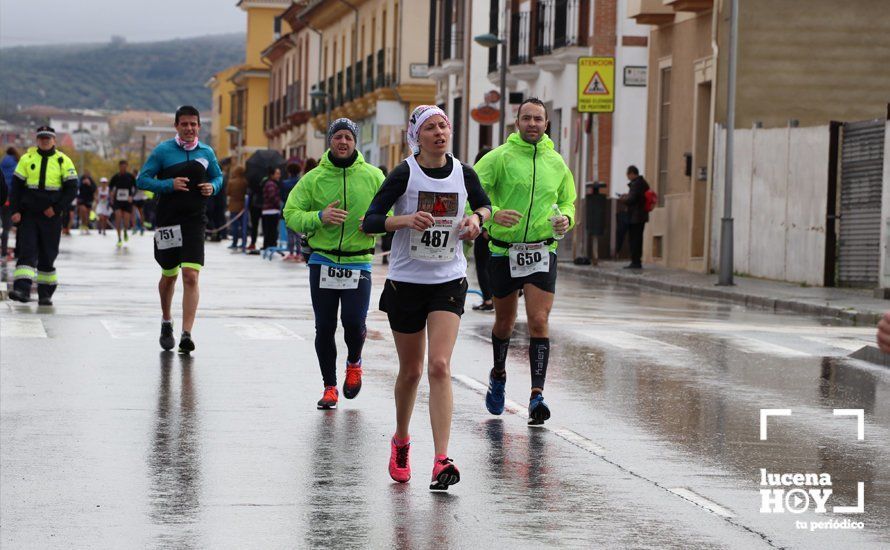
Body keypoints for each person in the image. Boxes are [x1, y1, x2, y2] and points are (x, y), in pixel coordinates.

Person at [362, 105, 491, 491]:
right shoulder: (404, 172)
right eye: (431, 128)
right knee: (412, 371)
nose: (440, 132)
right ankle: (401, 440)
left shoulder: (464, 172)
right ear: (417, 136)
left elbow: (483, 204)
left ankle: (440, 459)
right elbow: (369, 221)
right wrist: (405, 220)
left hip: (448, 279)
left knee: (439, 365)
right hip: (406, 281)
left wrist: (476, 221)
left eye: (444, 126)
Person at [473, 97, 576, 427]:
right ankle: (499, 375)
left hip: (542, 251)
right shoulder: (498, 159)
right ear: (517, 122)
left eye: (539, 119)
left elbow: (567, 202)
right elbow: (470, 193)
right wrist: (491, 218)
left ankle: (536, 395)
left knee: (538, 321)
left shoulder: (557, 163)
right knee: (505, 322)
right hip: (504, 251)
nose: (533, 124)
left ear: (547, 124)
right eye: (527, 118)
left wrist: (566, 220)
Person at [284, 119, 385, 410]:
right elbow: (290, 213)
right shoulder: (314, 178)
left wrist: (375, 224)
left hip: (359, 262)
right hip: (323, 259)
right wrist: (318, 218)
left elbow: (391, 211)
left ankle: (354, 362)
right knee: (325, 326)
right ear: (330, 141)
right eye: (338, 136)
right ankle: (329, 387)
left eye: (348, 137)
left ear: (355, 141)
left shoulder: (374, 176)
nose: (343, 142)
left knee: (354, 322)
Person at [136, 105, 223, 353]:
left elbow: (218, 177)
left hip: (195, 220)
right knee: (170, 274)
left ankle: (186, 333)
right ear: (176, 126)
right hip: (168, 220)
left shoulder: (206, 151)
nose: (189, 128)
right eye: (184, 124)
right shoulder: (163, 151)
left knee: (191, 276)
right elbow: (142, 180)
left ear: (199, 126)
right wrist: (168, 184)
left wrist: (213, 187)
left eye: (193, 124)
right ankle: (166, 320)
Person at [8, 126, 79, 305]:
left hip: (51, 217)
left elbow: (72, 189)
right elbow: (16, 188)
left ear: (54, 140)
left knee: (48, 255)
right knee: (27, 251)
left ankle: (45, 294)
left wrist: (56, 208)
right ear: (37, 140)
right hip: (29, 215)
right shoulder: (26, 159)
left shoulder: (64, 161)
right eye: (41, 138)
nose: (44, 141)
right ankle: (22, 290)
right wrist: (15, 211)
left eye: (48, 138)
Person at [471, 147, 494, 311]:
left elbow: (484, 203)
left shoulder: (480, 178)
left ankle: (488, 299)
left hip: (485, 227)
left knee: (482, 265)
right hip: (498, 229)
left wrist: (483, 228)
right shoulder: (500, 174)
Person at [618, 165, 650, 269]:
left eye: (628, 175)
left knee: (634, 239)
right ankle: (636, 261)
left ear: (632, 173)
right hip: (640, 216)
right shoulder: (642, 183)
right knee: (637, 239)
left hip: (636, 217)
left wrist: (623, 199)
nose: (627, 177)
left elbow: (632, 200)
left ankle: (635, 262)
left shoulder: (637, 184)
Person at [109, 160, 136, 247]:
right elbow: (110, 187)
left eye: (125, 166)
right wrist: (111, 194)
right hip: (118, 200)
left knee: (126, 220)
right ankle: (119, 238)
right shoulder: (116, 177)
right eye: (121, 167)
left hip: (127, 201)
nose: (123, 168)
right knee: (118, 216)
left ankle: (125, 230)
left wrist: (131, 196)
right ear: (119, 167)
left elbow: (135, 188)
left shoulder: (130, 176)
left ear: (127, 166)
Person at [280, 162, 302, 261]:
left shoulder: (285, 183)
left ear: (289, 172)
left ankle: (291, 253)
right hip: (299, 208)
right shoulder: (301, 182)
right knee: (298, 233)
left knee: (290, 233)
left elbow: (282, 197)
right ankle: (299, 253)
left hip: (288, 208)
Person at [2, 147, 21, 260]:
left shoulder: (2, 163)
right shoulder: (17, 165)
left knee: (5, 227)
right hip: (12, 200)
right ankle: (18, 252)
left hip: (2, 200)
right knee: (17, 226)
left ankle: (3, 252)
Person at [226, 165, 248, 250]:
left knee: (234, 226)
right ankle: (244, 242)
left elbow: (228, 192)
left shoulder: (231, 182)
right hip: (243, 207)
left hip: (233, 206)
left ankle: (234, 243)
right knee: (243, 226)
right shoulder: (245, 182)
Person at [261, 167, 282, 251]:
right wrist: (279, 204)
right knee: (271, 230)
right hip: (271, 210)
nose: (279, 175)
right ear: (272, 174)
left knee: (269, 230)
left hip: (268, 210)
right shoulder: (271, 184)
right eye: (277, 173)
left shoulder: (271, 183)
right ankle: (271, 245)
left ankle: (268, 245)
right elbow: (272, 196)